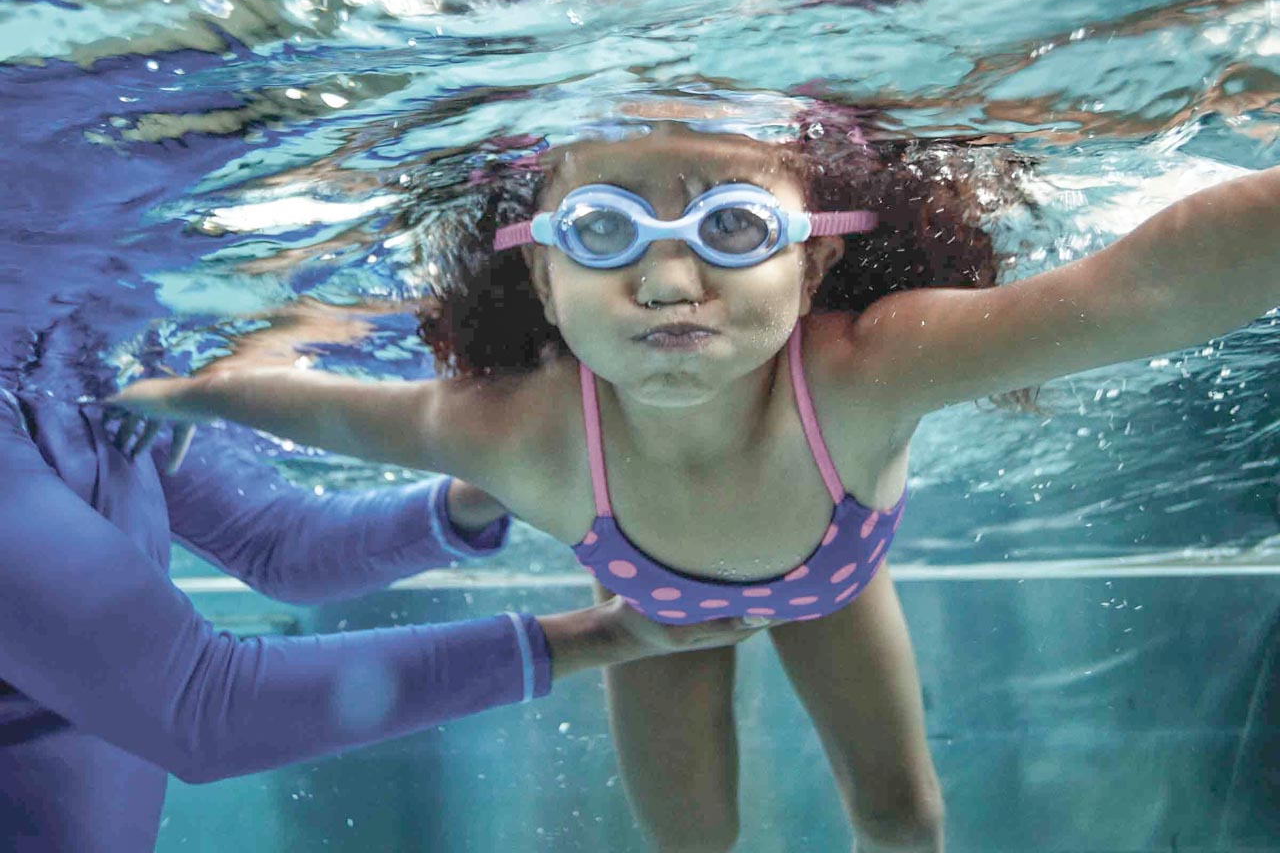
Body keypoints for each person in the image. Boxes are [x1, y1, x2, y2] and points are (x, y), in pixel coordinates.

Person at [117, 103, 1280, 853]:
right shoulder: (525, 430)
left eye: (729, 228)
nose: (669, 281)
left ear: (813, 251)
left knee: (900, 813)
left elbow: (1138, 291)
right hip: (652, 618)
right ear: (536, 280)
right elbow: (340, 410)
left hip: (829, 587)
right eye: (602, 231)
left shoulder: (864, 371)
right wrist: (186, 391)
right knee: (690, 844)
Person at [0, 308, 769, 853]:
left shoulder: (76, 364)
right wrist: (601, 634)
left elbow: (280, 544)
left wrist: (504, 483)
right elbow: (202, 706)